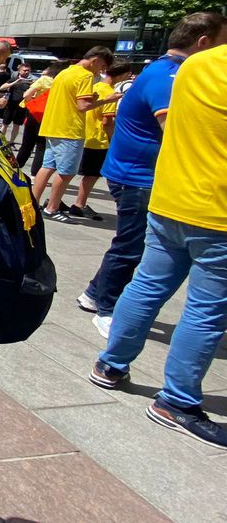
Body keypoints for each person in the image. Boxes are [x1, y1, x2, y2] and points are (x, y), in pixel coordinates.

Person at [87, 43, 227, 450]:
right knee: (205, 310)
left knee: (147, 284)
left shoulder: (197, 64)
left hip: (170, 197)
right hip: (217, 210)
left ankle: (110, 364)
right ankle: (177, 401)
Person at [78, 12, 227, 337]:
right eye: (221, 44)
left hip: (137, 174)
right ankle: (107, 307)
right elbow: (177, 131)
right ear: (203, 43)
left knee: (132, 243)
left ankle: (94, 293)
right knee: (131, 246)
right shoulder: (170, 76)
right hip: (137, 176)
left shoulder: (166, 72)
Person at [31, 47, 119, 222]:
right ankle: (52, 207)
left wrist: (92, 100)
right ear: (95, 61)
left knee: (47, 166)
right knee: (66, 171)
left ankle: (33, 203)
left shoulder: (65, 72)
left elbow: (75, 101)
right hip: (69, 129)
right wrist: (106, 100)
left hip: (53, 126)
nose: (100, 71)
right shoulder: (85, 75)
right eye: (101, 67)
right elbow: (82, 107)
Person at [70, 62, 132, 225]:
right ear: (122, 75)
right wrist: (113, 140)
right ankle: (80, 203)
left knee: (80, 172)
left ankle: (75, 201)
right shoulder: (110, 93)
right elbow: (107, 121)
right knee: (91, 175)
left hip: (85, 134)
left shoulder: (95, 86)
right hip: (98, 139)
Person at [15, 61, 62, 175]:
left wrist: (34, 102)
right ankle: (34, 174)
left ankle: (15, 169)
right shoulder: (61, 82)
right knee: (41, 146)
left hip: (36, 113)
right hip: (51, 115)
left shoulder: (44, 79)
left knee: (27, 144)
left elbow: (26, 95)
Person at [0, 63, 33, 145]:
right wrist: (16, 82)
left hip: (22, 107)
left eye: (28, 70)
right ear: (20, 71)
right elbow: (2, 87)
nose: (26, 72)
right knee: (5, 124)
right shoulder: (13, 79)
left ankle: (11, 142)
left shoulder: (30, 82)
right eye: (24, 70)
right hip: (11, 106)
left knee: (16, 125)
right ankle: (0, 141)